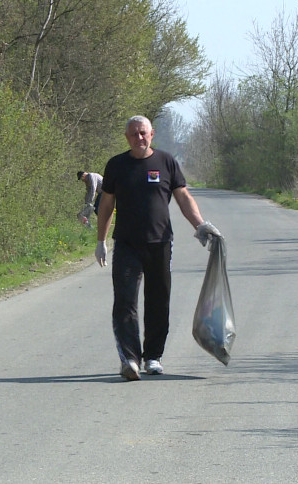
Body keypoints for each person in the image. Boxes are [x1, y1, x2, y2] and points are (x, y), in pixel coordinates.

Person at [95, 115, 221, 381]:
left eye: (143, 133)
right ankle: (129, 358)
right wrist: (100, 241)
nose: (139, 138)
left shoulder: (166, 162)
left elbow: (183, 197)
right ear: (126, 137)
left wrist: (200, 225)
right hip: (127, 244)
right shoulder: (116, 165)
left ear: (151, 134)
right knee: (125, 301)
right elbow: (106, 205)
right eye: (133, 134)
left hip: (160, 243)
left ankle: (153, 356)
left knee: (158, 301)